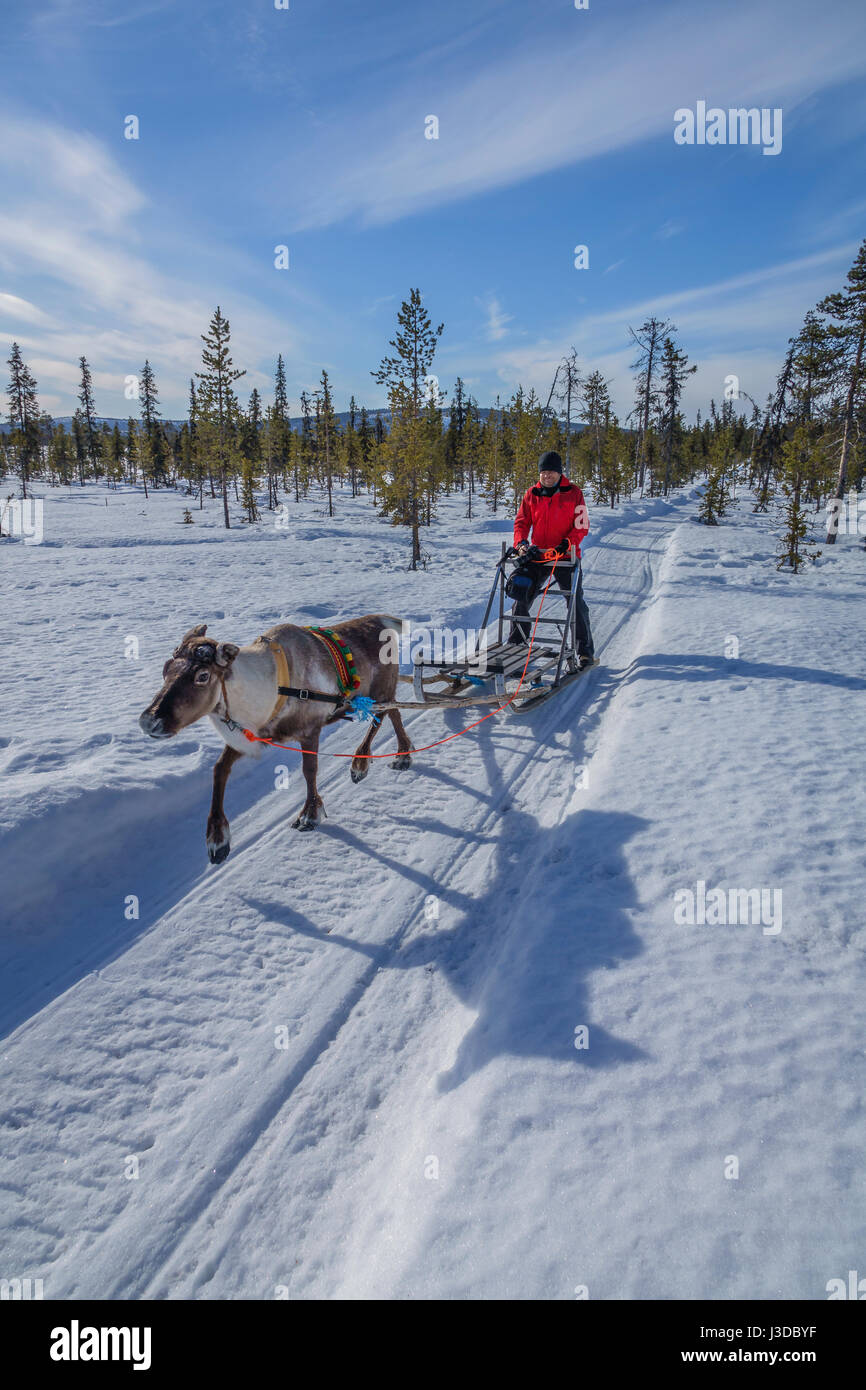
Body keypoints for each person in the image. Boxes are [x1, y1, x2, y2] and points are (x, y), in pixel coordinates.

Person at [508, 450, 594, 666]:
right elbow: (521, 523)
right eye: (543, 472)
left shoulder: (574, 493)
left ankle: (584, 651)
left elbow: (582, 525)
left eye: (551, 472)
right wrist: (521, 543)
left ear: (559, 473)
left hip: (565, 555)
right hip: (538, 554)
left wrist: (568, 542)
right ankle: (517, 644)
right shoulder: (531, 494)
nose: (547, 476)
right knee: (520, 592)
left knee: (575, 602)